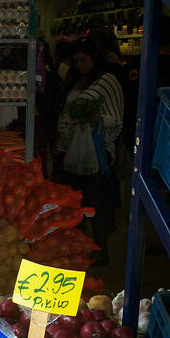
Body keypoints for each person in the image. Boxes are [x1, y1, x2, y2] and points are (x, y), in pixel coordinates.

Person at [55, 37, 124, 257]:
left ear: (94, 59)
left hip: (95, 150)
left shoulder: (107, 81)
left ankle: (99, 247)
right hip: (69, 150)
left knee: (96, 201)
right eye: (76, 61)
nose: (79, 65)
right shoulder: (74, 79)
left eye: (84, 60)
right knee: (75, 201)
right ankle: (79, 245)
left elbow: (116, 117)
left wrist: (95, 119)